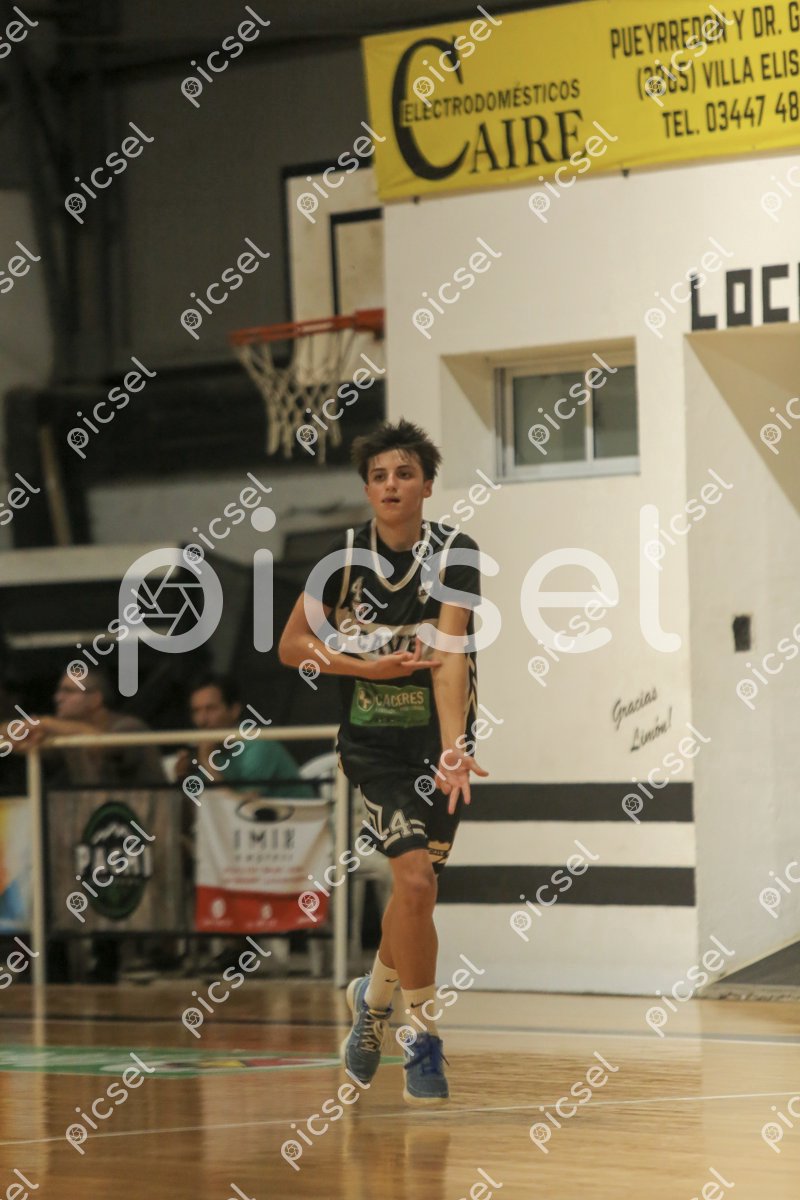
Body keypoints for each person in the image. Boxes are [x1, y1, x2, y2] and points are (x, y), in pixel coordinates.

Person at [278, 419, 487, 1104]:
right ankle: (422, 1036)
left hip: (437, 745)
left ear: (426, 485)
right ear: (367, 489)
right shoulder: (339, 560)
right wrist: (360, 664)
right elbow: (292, 647)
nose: (391, 485)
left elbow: (449, 659)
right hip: (372, 747)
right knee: (415, 879)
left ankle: (371, 1006)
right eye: (379, 476)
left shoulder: (455, 552)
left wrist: (454, 748)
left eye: (404, 474)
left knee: (414, 895)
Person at [17, 667, 164, 787]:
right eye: (59, 691)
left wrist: (44, 723)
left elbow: (101, 743)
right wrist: (23, 731)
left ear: (95, 699)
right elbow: (8, 735)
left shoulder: (130, 727)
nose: (58, 698)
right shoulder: (68, 733)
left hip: (145, 812)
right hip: (97, 811)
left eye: (68, 691)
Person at [175, 672, 310, 797]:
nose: (202, 720)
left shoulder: (258, 745)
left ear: (234, 710)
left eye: (211, 709)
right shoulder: (208, 749)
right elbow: (198, 806)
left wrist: (206, 762)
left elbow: (242, 807)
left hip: (301, 813)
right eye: (196, 711)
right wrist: (183, 776)